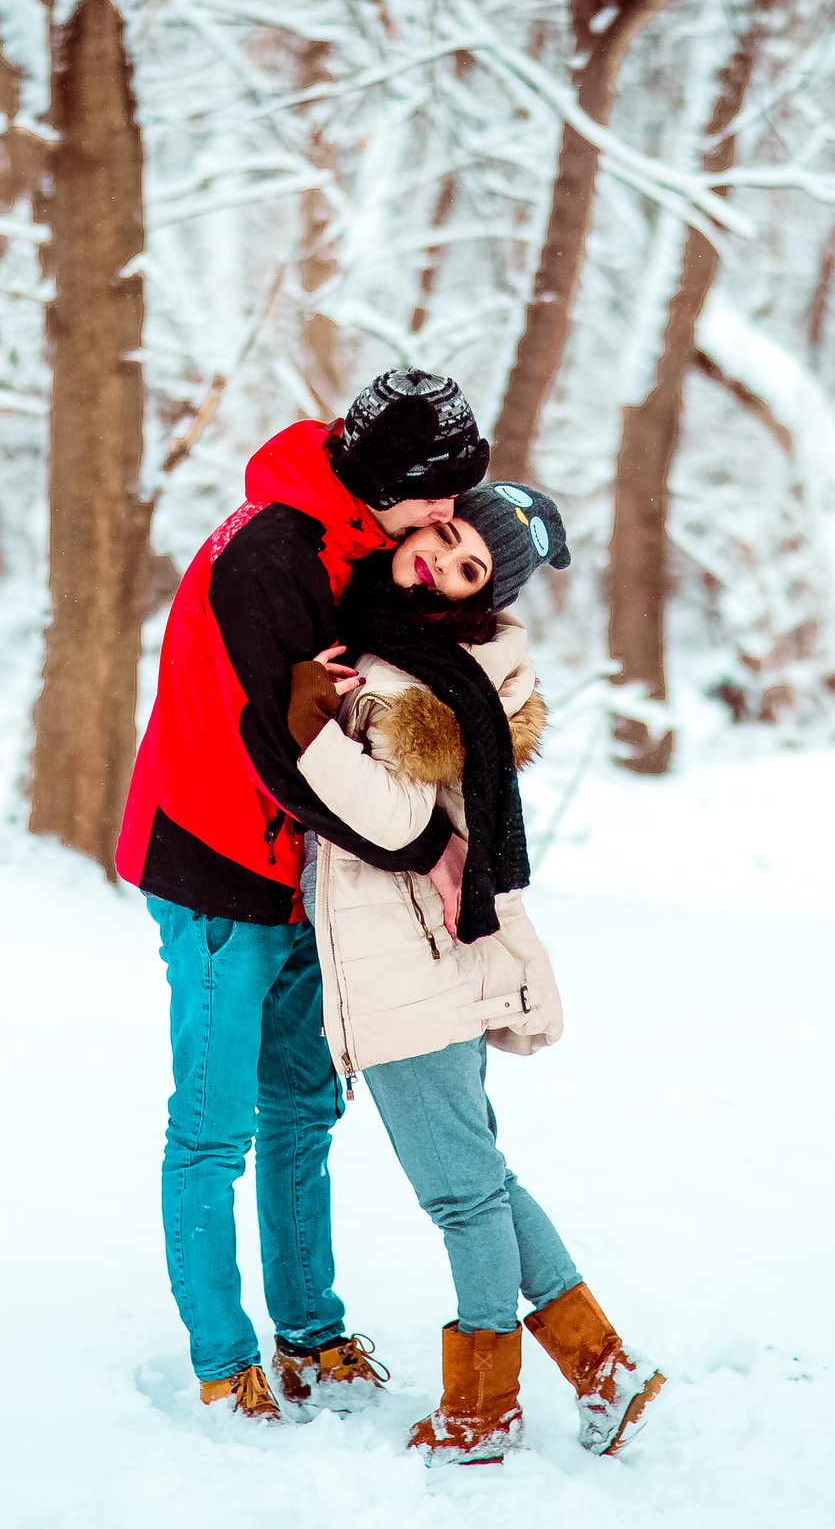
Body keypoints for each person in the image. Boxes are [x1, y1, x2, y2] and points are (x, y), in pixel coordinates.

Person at [117, 371, 489, 1427]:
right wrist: (425, 846)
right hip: (213, 867)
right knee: (212, 1126)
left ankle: (313, 1334)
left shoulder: (358, 541)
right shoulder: (271, 555)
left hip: (298, 876)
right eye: (441, 500)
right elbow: (286, 751)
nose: (447, 520)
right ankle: (222, 1356)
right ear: (390, 483)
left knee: (304, 1111)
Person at [283, 482, 667, 1466]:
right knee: (484, 1181)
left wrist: (309, 731)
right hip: (425, 960)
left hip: (410, 969)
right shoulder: (410, 647)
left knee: (460, 1197)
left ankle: (482, 1411)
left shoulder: (430, 681)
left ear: (478, 599)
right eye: (448, 539)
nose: (440, 562)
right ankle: (603, 1370)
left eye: (466, 571)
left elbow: (395, 823)